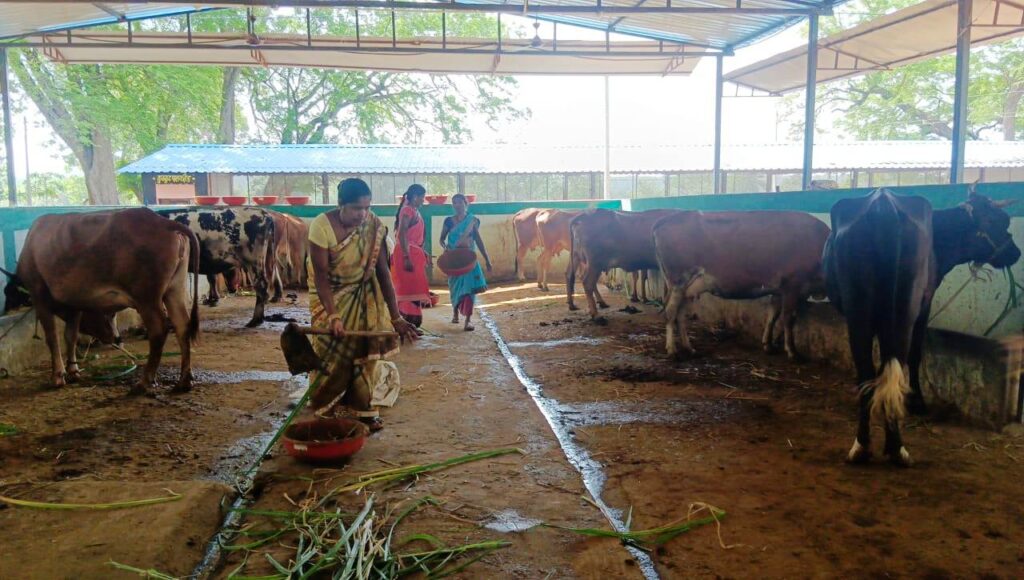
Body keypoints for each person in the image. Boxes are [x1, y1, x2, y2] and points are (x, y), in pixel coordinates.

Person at [307, 178, 419, 432]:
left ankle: (363, 408)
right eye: (357, 209)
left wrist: (396, 317)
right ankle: (326, 406)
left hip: (365, 295)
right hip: (329, 298)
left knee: (364, 352)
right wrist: (333, 315)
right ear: (340, 205)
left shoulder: (373, 226)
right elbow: (321, 277)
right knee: (330, 352)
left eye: (367, 208)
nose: (363, 215)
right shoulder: (321, 227)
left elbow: (382, 273)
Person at [439, 193, 492, 331]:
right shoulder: (448, 221)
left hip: (469, 259)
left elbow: (479, 241)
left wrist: (487, 259)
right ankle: (455, 312)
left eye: (459, 202)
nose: (457, 205)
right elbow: (441, 239)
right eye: (454, 203)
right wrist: (446, 249)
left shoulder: (473, 221)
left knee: (469, 290)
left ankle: (468, 320)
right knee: (455, 287)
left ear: (465, 203)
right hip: (455, 260)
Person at [390, 184, 431, 327]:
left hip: (412, 252)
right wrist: (407, 256)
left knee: (413, 288)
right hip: (406, 254)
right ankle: (407, 324)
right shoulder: (407, 210)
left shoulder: (412, 210)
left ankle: (410, 324)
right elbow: (402, 233)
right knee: (408, 290)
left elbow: (411, 236)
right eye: (422, 197)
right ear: (415, 197)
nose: (423, 201)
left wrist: (421, 250)